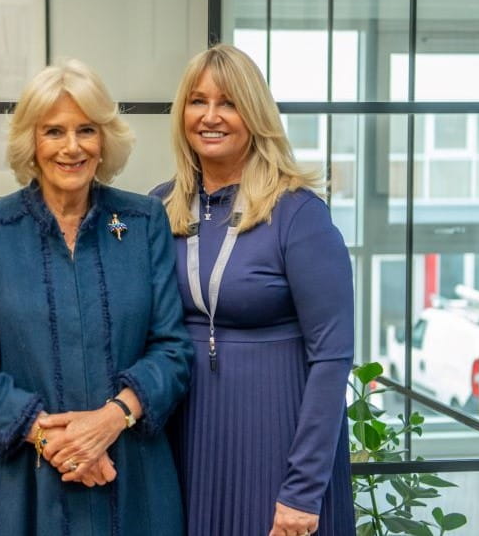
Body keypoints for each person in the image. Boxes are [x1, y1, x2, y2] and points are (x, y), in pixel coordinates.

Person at [0, 59, 194, 536]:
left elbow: (173, 349)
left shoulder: (144, 222)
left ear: (104, 141)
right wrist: (55, 440)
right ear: (31, 142)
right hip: (26, 485)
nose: (71, 147)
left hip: (134, 474)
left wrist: (111, 419)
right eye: (54, 131)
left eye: (86, 130)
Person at [152, 44, 356, 536]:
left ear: (255, 114)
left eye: (229, 102)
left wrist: (302, 489)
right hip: (189, 445)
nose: (211, 116)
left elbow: (332, 358)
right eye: (198, 102)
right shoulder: (159, 209)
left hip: (278, 447)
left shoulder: (298, 214)